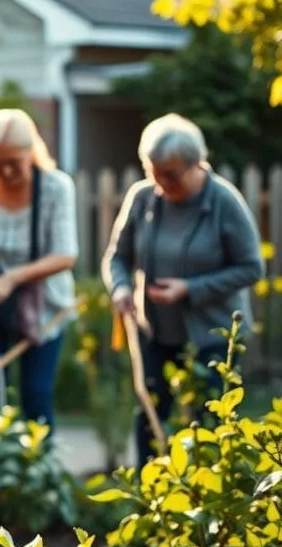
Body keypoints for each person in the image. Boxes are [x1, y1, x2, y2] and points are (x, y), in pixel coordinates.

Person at [102, 113, 263, 464]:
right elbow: (116, 256)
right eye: (152, 171)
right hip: (154, 331)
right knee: (150, 417)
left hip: (212, 336)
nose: (160, 182)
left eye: (170, 175)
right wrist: (121, 288)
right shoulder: (143, 197)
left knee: (207, 426)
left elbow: (252, 268)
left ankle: (207, 505)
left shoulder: (223, 202)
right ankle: (151, 502)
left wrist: (190, 289)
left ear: (196, 165)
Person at [0, 108, 78, 432]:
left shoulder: (56, 188)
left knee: (36, 394)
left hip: (44, 308)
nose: (7, 171)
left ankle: (39, 474)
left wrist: (10, 279)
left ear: (32, 152)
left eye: (15, 162)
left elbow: (65, 254)